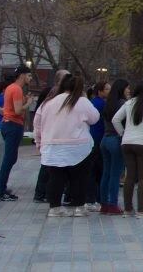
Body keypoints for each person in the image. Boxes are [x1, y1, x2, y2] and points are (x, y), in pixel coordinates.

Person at [34, 74, 99, 218]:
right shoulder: (81, 102)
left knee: (55, 177)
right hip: (78, 146)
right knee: (79, 177)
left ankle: (54, 207)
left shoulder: (49, 102)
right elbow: (94, 118)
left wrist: (39, 141)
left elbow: (37, 122)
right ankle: (79, 206)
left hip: (53, 144)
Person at [112, 79, 143, 218]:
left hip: (127, 142)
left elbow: (115, 119)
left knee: (129, 176)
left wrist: (122, 133)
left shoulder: (129, 102)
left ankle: (128, 209)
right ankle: (141, 210)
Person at [0, 64, 33, 201]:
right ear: (22, 75)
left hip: (7, 123)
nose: (30, 78)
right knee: (9, 159)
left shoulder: (10, 88)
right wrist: (29, 103)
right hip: (13, 124)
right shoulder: (16, 89)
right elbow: (18, 110)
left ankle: (1, 188)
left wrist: (24, 101)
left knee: (10, 158)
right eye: (29, 75)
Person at [33, 69, 71, 202]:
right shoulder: (54, 93)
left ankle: (50, 191)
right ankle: (41, 192)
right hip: (51, 133)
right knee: (48, 165)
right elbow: (40, 112)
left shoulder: (60, 93)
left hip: (55, 132)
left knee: (53, 165)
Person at [98, 79, 129, 215]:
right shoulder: (123, 104)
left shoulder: (108, 103)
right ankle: (113, 204)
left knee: (106, 173)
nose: (129, 90)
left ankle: (104, 204)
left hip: (105, 139)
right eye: (127, 88)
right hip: (116, 139)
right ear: (122, 89)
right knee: (115, 174)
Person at [84, 81, 107, 211]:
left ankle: (91, 197)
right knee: (97, 170)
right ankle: (95, 198)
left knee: (92, 170)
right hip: (98, 138)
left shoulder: (92, 103)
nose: (109, 92)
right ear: (100, 91)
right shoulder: (101, 104)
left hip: (92, 138)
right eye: (107, 89)